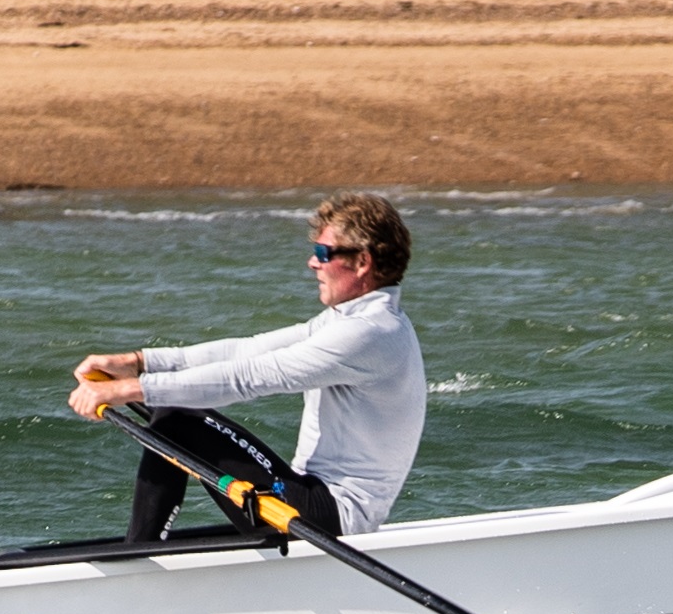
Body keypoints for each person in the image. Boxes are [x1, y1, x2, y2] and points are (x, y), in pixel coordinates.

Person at [68, 192, 423, 545]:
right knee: (170, 409)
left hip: (332, 517)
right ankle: (143, 548)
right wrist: (140, 362)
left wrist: (130, 390)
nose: (312, 263)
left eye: (322, 253)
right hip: (308, 499)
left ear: (362, 262)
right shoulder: (353, 321)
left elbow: (249, 378)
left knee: (176, 417)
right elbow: (246, 351)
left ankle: (139, 557)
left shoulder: (370, 333)